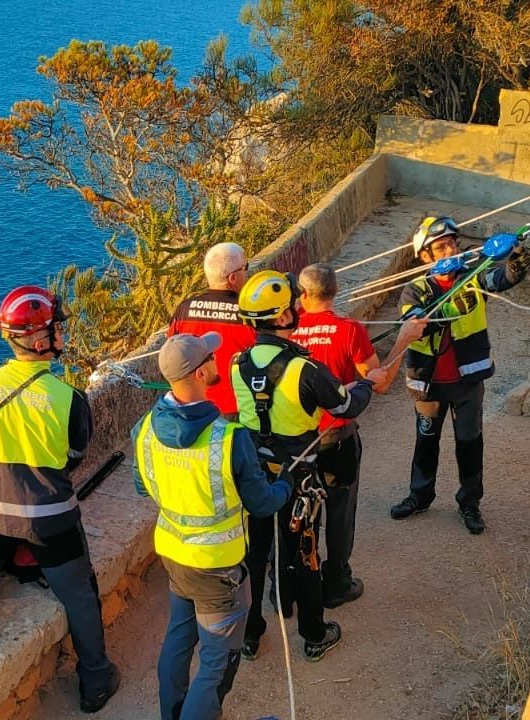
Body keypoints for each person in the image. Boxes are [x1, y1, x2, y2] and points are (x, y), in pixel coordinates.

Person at [0, 285, 120, 713]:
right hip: (50, 518)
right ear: (40, 341)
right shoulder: (69, 399)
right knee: (79, 592)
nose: (61, 334)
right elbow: (74, 457)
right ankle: (95, 682)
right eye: (56, 329)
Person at [132, 332, 292, 720]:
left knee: (178, 640)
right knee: (217, 663)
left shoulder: (145, 428)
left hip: (174, 553)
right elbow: (262, 504)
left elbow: (142, 485)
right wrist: (286, 481)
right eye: (212, 358)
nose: (218, 361)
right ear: (202, 373)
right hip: (218, 566)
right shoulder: (229, 438)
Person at [230, 270, 373, 663]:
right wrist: (366, 384)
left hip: (256, 474)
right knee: (304, 553)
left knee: (255, 555)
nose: (297, 309)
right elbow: (346, 405)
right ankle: (313, 633)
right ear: (280, 318)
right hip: (298, 474)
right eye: (292, 306)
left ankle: (250, 634)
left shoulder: (237, 364)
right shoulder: (303, 369)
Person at [292, 264, 426, 607]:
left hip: (296, 442)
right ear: (336, 293)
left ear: (302, 296)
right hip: (337, 438)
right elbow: (378, 382)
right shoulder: (349, 330)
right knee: (339, 511)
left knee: (299, 513)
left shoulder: (286, 331)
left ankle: (293, 586)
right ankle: (337, 582)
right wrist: (403, 339)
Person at [390, 216, 530, 535]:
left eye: (453, 243)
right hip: (428, 384)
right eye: (441, 247)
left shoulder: (474, 277)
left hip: (467, 381)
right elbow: (415, 324)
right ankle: (420, 495)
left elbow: (505, 277)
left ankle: (470, 502)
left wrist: (517, 253)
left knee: (470, 444)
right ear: (425, 256)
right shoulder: (414, 290)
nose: (450, 250)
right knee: (426, 442)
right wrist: (449, 309)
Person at [169, 242, 258, 417]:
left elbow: (173, 353)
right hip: (238, 406)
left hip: (194, 405)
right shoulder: (250, 313)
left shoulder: (184, 309)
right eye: (245, 268)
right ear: (232, 278)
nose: (247, 273)